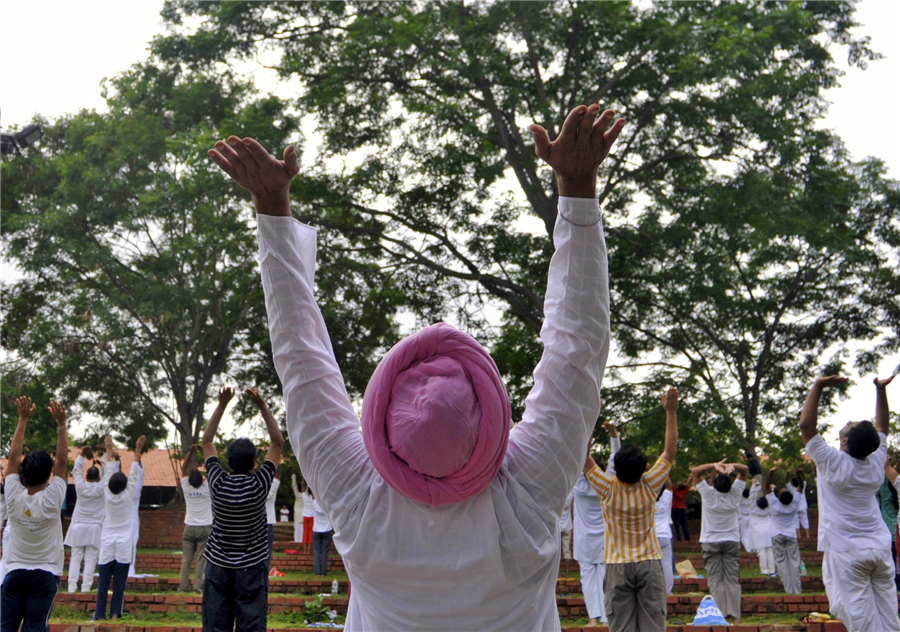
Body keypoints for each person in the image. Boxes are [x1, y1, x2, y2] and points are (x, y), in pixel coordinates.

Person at [207, 102, 623, 629]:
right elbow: (577, 349)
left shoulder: (358, 496)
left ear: (382, 420)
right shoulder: (527, 491)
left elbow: (301, 361)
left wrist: (271, 207)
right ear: (490, 417)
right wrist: (578, 189)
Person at [799, 374, 900, 632]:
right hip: (879, 548)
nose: (847, 422)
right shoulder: (876, 461)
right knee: (889, 616)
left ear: (844, 442)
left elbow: (806, 427)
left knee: (861, 621)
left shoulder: (832, 462)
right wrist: (880, 391)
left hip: (847, 552)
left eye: (849, 424)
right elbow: (883, 428)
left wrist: (818, 385)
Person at [583, 388, 678, 632]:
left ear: (615, 467)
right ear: (644, 467)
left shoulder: (607, 487)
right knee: (653, 626)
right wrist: (671, 412)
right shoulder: (650, 485)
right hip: (649, 563)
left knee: (621, 627)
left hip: (616, 565)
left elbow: (582, 454)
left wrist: (593, 413)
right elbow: (669, 453)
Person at [201, 387, 282, 632]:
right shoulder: (260, 484)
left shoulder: (217, 482)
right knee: (252, 626)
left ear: (227, 462)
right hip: (251, 568)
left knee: (216, 626)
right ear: (255, 463)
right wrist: (263, 407)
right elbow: (278, 442)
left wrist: (222, 404)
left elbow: (206, 441)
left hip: (218, 567)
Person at [0, 397, 68, 632]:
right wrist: (61, 424)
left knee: (5, 627)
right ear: (50, 475)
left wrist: (23, 418)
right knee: (35, 628)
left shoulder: (12, 494)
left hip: (15, 572)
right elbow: (62, 459)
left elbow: (12, 457)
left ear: (23, 472)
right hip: (45, 574)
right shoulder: (53, 498)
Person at [573, 422, 620, 627]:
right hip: (604, 541)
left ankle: (593, 618)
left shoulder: (579, 485)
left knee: (587, 580)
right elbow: (614, 460)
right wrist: (613, 434)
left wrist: (588, 427)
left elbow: (581, 456)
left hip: (584, 541)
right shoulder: (607, 483)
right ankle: (606, 617)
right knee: (604, 580)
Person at [94, 435, 145, 621]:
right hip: (124, 543)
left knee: (103, 583)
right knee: (120, 583)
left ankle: (99, 615)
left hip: (107, 542)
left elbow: (107, 471)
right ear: (125, 486)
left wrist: (109, 449)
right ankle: (115, 615)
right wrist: (137, 449)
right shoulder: (128, 494)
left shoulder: (107, 493)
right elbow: (134, 472)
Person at [691, 459, 748, 624]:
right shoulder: (735, 493)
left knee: (715, 579)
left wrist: (713, 465)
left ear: (713, 485)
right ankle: (736, 618)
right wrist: (733, 466)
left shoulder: (708, 495)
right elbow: (744, 470)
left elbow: (695, 472)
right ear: (731, 485)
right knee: (732, 579)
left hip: (711, 542)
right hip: (731, 541)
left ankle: (721, 615)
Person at [65, 445, 106, 593]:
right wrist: (104, 457)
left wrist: (82, 454)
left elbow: (76, 471)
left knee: (75, 558)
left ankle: (71, 588)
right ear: (98, 477)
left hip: (78, 526)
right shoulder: (101, 488)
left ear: (87, 476)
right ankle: (85, 589)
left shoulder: (80, 486)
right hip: (94, 528)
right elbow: (109, 474)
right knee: (90, 559)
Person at [764, 466, 802, 594]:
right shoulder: (794, 504)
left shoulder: (774, 504)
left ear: (779, 497)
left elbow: (766, 487)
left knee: (781, 563)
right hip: (791, 535)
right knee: (794, 563)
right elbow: (800, 487)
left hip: (777, 535)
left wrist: (770, 473)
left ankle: (788, 590)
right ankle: (797, 590)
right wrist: (800, 475)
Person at [179, 444, 212, 593]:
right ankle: (198, 587)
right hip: (205, 527)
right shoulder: (206, 488)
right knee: (200, 560)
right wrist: (203, 451)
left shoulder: (186, 488)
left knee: (186, 560)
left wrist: (191, 451)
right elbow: (212, 469)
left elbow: (183, 468)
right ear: (202, 480)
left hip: (189, 527)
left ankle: (183, 586)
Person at [747, 480, 775, 576]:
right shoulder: (768, 508)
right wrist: (771, 490)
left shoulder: (753, 508)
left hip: (758, 531)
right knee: (770, 551)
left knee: (761, 551)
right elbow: (771, 499)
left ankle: (764, 570)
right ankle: (772, 570)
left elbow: (752, 497)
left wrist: (755, 486)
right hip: (769, 529)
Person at [654, 479, 675, 595]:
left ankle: (652, 590)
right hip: (665, 536)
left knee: (651, 566)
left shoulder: (645, 502)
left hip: (651, 537)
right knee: (666, 565)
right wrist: (664, 473)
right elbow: (669, 486)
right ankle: (668, 591)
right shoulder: (665, 499)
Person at [127, 444, 145, 578]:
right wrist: (138, 456)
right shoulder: (136, 488)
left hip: (124, 518)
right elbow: (141, 474)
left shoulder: (123, 491)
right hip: (132, 518)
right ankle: (130, 567)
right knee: (132, 543)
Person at [311, 492, 333, 576]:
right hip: (327, 530)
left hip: (316, 529)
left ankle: (317, 572)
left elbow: (313, 495)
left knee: (317, 552)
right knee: (325, 552)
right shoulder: (327, 504)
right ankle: (323, 572)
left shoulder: (315, 503)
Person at [265, 465, 281, 570]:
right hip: (267, 525)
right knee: (267, 554)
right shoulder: (272, 487)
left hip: (254, 524)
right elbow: (278, 476)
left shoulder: (256, 487)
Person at [786, 469, 809, 540]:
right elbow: (804, 480)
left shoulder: (792, 489)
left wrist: (788, 473)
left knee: (796, 523)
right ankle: (807, 536)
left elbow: (787, 482)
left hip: (795, 508)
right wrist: (801, 472)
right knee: (805, 521)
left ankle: (799, 536)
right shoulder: (802, 487)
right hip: (803, 507)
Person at [290, 473, 306, 544]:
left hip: (298, 514)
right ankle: (299, 542)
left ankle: (297, 542)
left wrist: (293, 475)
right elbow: (307, 487)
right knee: (301, 530)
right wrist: (304, 478)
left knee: (297, 529)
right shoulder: (305, 495)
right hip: (302, 514)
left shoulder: (298, 495)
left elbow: (294, 486)